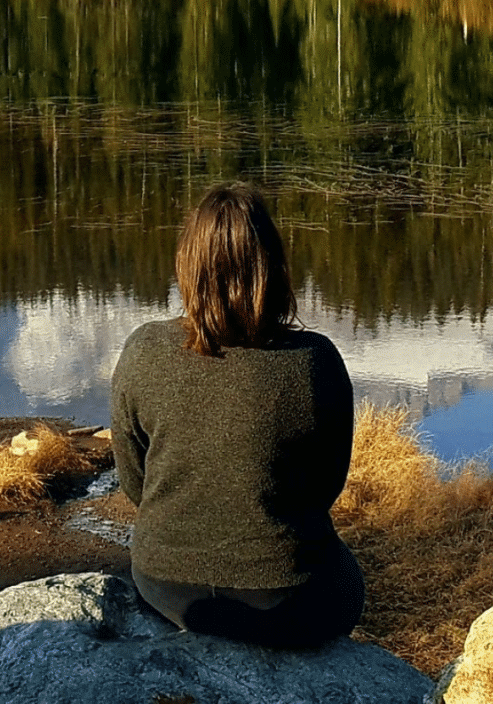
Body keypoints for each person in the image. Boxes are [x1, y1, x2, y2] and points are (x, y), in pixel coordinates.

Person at [109, 181, 364, 648]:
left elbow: (133, 482)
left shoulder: (143, 350)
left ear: (188, 266)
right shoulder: (315, 361)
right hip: (284, 596)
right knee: (349, 583)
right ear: (273, 266)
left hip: (166, 586)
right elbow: (326, 485)